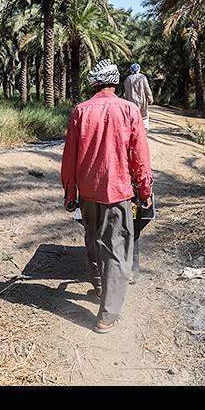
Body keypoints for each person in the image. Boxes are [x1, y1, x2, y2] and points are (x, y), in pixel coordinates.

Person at [60, 59, 153, 334]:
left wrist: (70, 192)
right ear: (115, 82)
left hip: (88, 192)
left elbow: (70, 157)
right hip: (119, 192)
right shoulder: (129, 110)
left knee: (93, 240)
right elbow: (140, 157)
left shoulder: (80, 111)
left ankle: (100, 287)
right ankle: (107, 314)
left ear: (95, 83)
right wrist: (144, 191)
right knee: (118, 248)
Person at [123, 63, 154, 130]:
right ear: (139, 69)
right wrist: (150, 98)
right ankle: (144, 130)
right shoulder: (142, 77)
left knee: (132, 116)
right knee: (144, 116)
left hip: (130, 101)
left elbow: (125, 91)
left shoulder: (128, 78)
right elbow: (147, 88)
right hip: (142, 101)